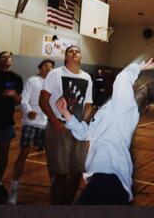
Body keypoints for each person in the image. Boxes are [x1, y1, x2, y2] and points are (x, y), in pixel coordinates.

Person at [55, 57, 154, 205]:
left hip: (108, 176)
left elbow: (122, 78)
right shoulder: (109, 111)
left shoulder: (125, 107)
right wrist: (65, 113)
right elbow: (85, 133)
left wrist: (139, 67)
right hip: (104, 178)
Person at [39, 45, 93, 204]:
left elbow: (88, 104)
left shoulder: (87, 77)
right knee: (60, 174)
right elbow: (43, 100)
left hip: (78, 129)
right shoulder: (55, 74)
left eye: (77, 51)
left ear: (80, 57)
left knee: (77, 172)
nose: (74, 53)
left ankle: (67, 205)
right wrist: (55, 122)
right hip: (59, 128)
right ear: (66, 57)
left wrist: (84, 125)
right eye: (71, 51)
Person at [8, 59, 55, 205]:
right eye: (46, 66)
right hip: (32, 123)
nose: (48, 68)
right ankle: (14, 190)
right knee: (23, 153)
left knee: (52, 159)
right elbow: (24, 100)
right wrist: (29, 111)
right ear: (40, 68)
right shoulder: (32, 81)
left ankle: (55, 191)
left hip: (47, 125)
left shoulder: (54, 85)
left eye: (51, 67)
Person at [0, 51, 23, 203]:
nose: (7, 58)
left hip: (6, 123)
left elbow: (18, 101)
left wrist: (14, 94)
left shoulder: (16, 79)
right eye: (3, 57)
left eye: (9, 57)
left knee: (3, 155)